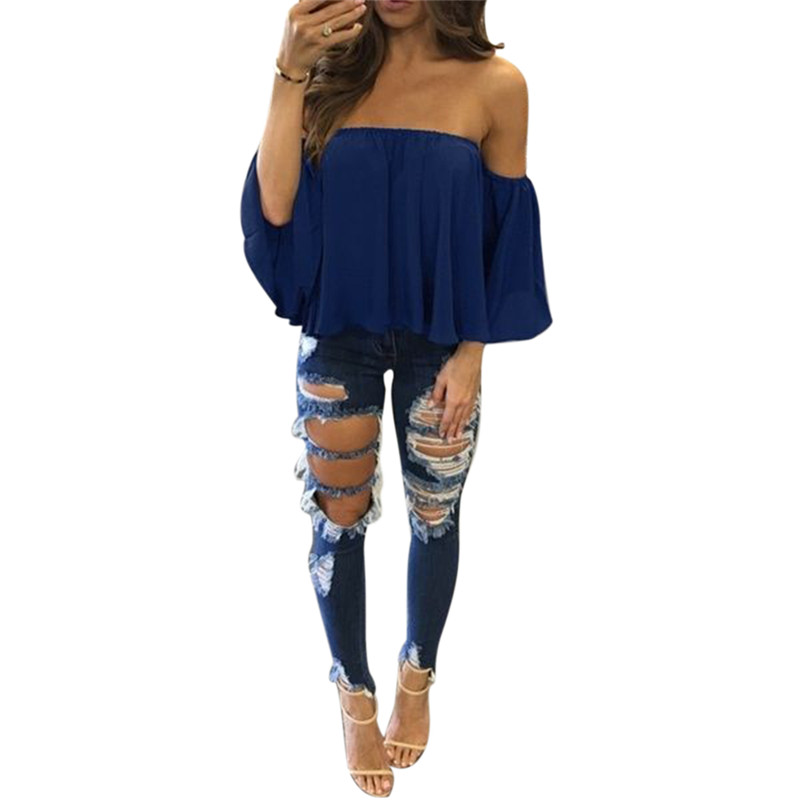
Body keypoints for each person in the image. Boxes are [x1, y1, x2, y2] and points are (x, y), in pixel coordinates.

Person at [239, 1, 552, 795]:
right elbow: (275, 209)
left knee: (435, 514)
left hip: (441, 341)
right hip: (338, 331)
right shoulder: (325, 74)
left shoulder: (497, 86)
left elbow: (502, 234)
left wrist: (474, 353)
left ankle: (418, 673)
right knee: (336, 519)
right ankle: (353, 693)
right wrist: (288, 69)